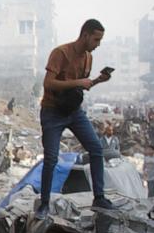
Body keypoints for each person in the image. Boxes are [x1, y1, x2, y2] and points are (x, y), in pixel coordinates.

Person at [36, 19, 115, 218]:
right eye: (96, 39)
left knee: (96, 149)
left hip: (74, 111)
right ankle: (44, 203)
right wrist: (78, 81)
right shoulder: (60, 53)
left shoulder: (88, 58)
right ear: (86, 35)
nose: (98, 44)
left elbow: (80, 88)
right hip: (53, 111)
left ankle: (99, 197)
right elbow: (48, 83)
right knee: (51, 158)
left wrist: (97, 81)